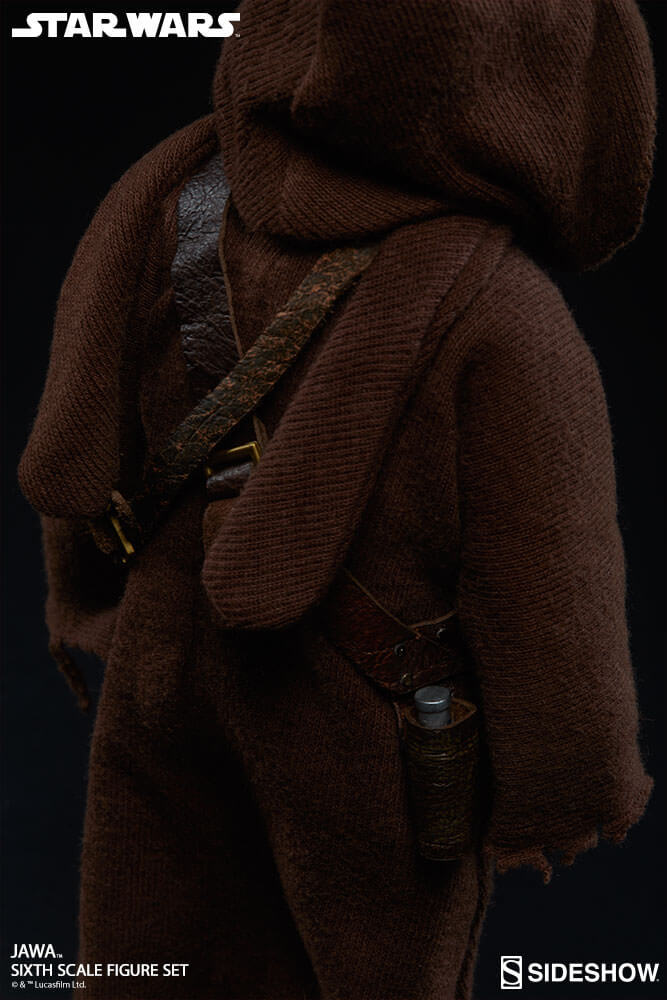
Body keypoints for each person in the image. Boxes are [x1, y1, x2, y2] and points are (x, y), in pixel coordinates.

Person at [18, 1, 656, 997]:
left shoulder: (167, 201)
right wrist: (568, 784)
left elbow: (79, 451)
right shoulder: (499, 308)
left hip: (160, 673)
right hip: (362, 735)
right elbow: (547, 582)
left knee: (147, 961)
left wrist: (92, 602)